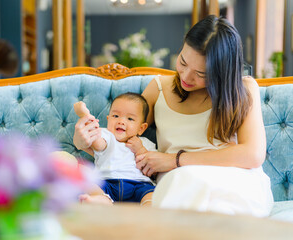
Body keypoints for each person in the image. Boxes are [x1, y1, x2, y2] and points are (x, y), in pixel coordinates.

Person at [74, 15, 273, 217]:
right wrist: (84, 140)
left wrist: (174, 160)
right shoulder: (159, 88)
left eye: (201, 74)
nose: (186, 77)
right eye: (183, 62)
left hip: (235, 179)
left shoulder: (244, 89)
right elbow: (122, 138)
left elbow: (253, 155)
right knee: (183, 190)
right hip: (180, 183)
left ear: (223, 72)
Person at [74, 93, 156, 206]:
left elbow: (152, 167)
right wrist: (85, 117)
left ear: (141, 128)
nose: (121, 121)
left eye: (130, 118)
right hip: (107, 182)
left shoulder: (146, 143)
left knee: (150, 193)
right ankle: (102, 201)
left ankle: (148, 207)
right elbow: (97, 143)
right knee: (87, 179)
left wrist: (140, 149)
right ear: (108, 119)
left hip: (139, 184)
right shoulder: (107, 136)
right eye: (116, 116)